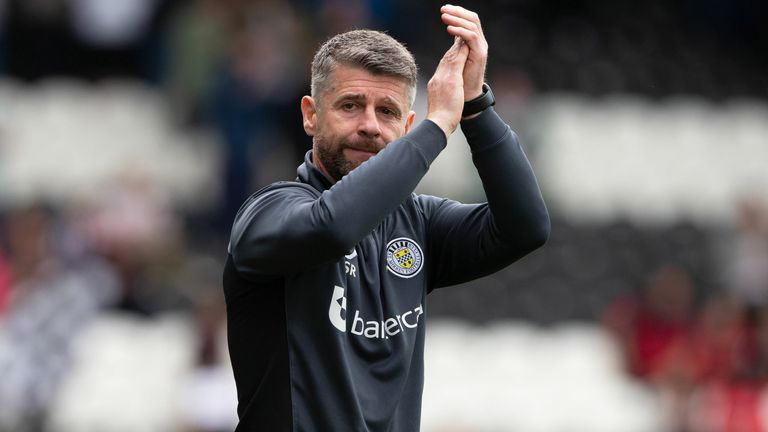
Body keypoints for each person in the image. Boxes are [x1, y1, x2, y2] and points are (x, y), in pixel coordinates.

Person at [223, 5, 550, 431]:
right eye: (350, 105)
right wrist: (436, 128)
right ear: (310, 114)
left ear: (406, 123)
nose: (370, 126)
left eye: (388, 112)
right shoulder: (267, 214)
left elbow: (526, 228)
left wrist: (475, 107)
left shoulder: (419, 224)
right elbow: (333, 227)